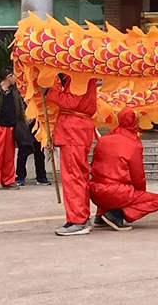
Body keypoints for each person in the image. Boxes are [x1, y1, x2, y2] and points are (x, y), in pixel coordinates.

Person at [89, 107, 158, 231]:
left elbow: (95, 165)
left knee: (106, 180)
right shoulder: (133, 144)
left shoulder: (103, 140)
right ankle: (116, 214)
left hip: (95, 192)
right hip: (118, 193)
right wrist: (140, 193)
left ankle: (100, 216)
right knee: (156, 200)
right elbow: (138, 175)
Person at [44, 75, 98, 236]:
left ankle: (78, 220)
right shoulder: (80, 76)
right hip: (76, 130)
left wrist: (49, 92)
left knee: (73, 176)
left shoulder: (80, 77)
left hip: (73, 131)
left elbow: (71, 102)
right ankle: (80, 217)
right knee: (78, 175)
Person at [14, 117, 50, 186]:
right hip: (23, 124)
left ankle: (41, 176)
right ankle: (20, 177)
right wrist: (24, 116)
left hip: (38, 123)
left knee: (39, 152)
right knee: (22, 152)